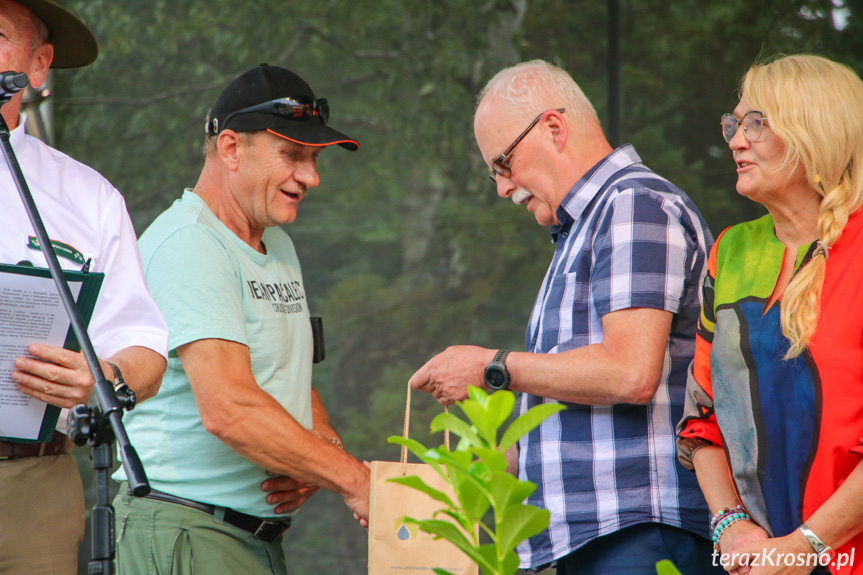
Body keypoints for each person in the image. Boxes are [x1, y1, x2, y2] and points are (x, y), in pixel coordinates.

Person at [410, 59, 720, 574]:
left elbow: (629, 372)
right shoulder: (588, 224)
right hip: (605, 533)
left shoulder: (632, 203)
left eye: (503, 164)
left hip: (640, 531)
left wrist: (493, 367)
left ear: (553, 127)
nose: (502, 188)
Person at [112, 63, 371, 575]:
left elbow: (290, 379)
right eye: (293, 155)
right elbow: (228, 408)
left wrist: (318, 456)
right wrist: (357, 481)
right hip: (185, 532)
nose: (311, 177)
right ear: (230, 148)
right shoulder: (192, 244)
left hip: (246, 539)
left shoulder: (276, 243)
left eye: (315, 158)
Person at [0, 1, 169, 573]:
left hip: (32, 482)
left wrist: (100, 377)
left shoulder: (87, 195)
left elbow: (144, 346)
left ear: (39, 64)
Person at [677, 54, 863, 574]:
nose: (736, 140)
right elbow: (702, 419)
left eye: (756, 123)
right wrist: (730, 527)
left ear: (814, 132)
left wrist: (804, 548)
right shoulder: (730, 252)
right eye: (734, 124)